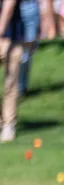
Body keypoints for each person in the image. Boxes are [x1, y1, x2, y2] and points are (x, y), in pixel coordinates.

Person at [0, 0, 26, 143]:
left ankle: (8, 124)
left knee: (10, 83)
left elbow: (9, 5)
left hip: (10, 38)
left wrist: (0, 29)